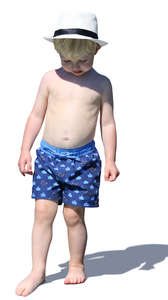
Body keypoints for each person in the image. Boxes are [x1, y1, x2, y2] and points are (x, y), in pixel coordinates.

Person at [15, 10, 120, 296]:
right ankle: (38, 269)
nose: (74, 67)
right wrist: (25, 149)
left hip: (83, 161)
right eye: (66, 61)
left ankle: (76, 264)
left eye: (83, 61)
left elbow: (107, 122)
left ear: (95, 50)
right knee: (42, 212)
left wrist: (111, 158)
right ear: (57, 52)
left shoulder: (101, 84)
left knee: (74, 216)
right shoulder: (50, 79)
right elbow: (36, 115)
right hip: (48, 157)